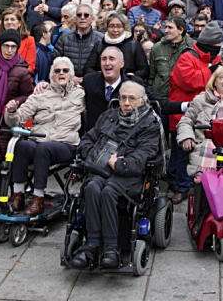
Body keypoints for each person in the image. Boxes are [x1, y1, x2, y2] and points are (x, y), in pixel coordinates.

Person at [68, 81, 162, 270]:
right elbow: (88, 138)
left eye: (132, 98)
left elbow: (143, 155)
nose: (126, 103)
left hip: (131, 177)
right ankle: (92, 245)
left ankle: (111, 249)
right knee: (93, 186)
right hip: (102, 170)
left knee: (109, 190)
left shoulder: (150, 124)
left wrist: (119, 163)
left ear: (142, 101)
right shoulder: (109, 116)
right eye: (123, 98)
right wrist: (92, 154)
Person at [3, 57, 84, 215]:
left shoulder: (80, 93)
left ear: (71, 74)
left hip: (66, 144)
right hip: (40, 140)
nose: (61, 73)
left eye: (65, 71)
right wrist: (11, 111)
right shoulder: (40, 94)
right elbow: (17, 120)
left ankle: (38, 198)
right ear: (51, 75)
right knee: (22, 145)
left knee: (43, 148)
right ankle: (18, 194)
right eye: (57, 71)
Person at [167, 22, 223, 202]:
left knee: (198, 152)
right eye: (216, 46)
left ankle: (191, 184)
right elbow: (189, 81)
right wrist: (211, 73)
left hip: (206, 114)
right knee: (181, 152)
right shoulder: (187, 57)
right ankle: (179, 186)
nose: (218, 50)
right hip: (182, 113)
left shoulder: (215, 59)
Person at [98, 11, 149, 81]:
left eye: (119, 26)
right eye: (111, 26)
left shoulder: (133, 45)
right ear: (107, 27)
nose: (115, 30)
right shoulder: (100, 44)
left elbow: (144, 70)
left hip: (128, 84)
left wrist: (132, 77)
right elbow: (89, 68)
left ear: (124, 27)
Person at [56, 5, 104, 77]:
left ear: (92, 19)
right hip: (68, 80)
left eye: (86, 15)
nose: (82, 17)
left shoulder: (100, 38)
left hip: (93, 81)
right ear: (75, 19)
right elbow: (56, 61)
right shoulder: (64, 37)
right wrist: (71, 77)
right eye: (79, 15)